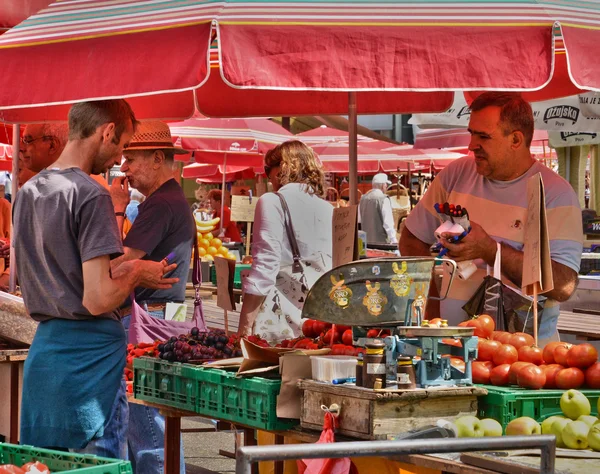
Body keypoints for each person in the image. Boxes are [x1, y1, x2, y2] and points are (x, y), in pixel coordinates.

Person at [13, 100, 179, 458]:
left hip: (45, 353)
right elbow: (97, 298)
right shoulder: (91, 194)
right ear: (106, 132)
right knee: (94, 464)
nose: (120, 159)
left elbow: (63, 274)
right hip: (88, 362)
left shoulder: (27, 193)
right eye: (121, 146)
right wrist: (136, 271)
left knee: (45, 463)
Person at [400, 92, 583, 343]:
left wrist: (490, 250)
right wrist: (431, 307)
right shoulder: (456, 174)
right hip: (448, 350)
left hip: (522, 359)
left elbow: (563, 285)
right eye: (472, 133)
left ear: (516, 140)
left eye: (483, 136)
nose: (471, 144)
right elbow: (412, 239)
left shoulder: (555, 193)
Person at [110, 121, 194, 474]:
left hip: (145, 321)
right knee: (155, 427)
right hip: (160, 317)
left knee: (148, 431)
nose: (124, 168)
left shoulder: (160, 205)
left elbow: (116, 265)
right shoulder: (169, 200)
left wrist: (115, 208)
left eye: (131, 159)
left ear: (158, 158)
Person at [238, 140, 333, 337]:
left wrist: (244, 326)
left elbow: (265, 267)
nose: (268, 177)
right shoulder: (328, 208)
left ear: (281, 168)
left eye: (267, 170)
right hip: (321, 322)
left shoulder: (272, 201)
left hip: (282, 324)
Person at [21, 122, 111, 189]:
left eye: (28, 141)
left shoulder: (88, 186)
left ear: (52, 145)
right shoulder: (37, 186)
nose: (21, 148)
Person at [359, 173, 398, 246]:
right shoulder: (383, 199)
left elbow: (359, 220)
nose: (386, 187)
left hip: (366, 244)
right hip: (381, 244)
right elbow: (388, 224)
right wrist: (394, 240)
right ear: (383, 185)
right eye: (386, 184)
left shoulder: (363, 199)